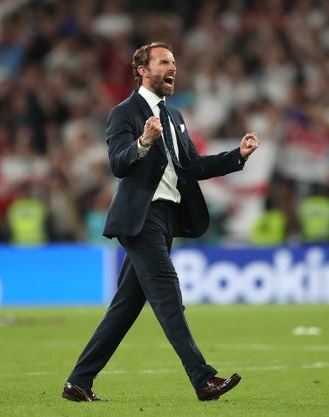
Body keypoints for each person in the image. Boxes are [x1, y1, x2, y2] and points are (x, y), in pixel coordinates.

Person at [62, 42, 260, 402]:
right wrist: (142, 142)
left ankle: (78, 382)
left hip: (167, 216)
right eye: (164, 62)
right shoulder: (124, 113)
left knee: (125, 308)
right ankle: (202, 379)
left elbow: (192, 166)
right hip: (140, 217)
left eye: (174, 62)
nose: (173, 68)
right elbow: (118, 163)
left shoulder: (175, 116)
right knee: (168, 295)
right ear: (143, 70)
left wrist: (238, 156)